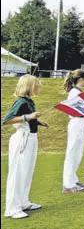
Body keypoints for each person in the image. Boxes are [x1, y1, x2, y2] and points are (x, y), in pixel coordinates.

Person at [3, 75, 46, 219]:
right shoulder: (20, 101)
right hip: (22, 139)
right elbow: (7, 119)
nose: (38, 87)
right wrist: (28, 117)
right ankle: (12, 208)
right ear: (29, 86)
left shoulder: (29, 101)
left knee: (27, 172)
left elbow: (27, 117)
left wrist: (38, 121)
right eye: (36, 85)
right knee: (18, 173)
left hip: (31, 138)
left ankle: (23, 202)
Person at [62, 69, 84, 193]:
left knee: (77, 153)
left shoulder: (78, 91)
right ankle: (68, 184)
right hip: (76, 122)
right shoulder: (74, 92)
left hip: (81, 122)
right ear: (81, 79)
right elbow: (75, 108)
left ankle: (73, 179)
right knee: (72, 153)